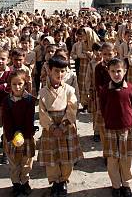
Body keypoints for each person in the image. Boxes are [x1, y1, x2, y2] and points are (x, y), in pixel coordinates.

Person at [37, 55, 83, 197]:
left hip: (66, 127)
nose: (60, 74)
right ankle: (55, 181)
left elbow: (72, 108)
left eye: (63, 71)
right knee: (52, 157)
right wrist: (51, 127)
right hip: (50, 128)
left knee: (66, 157)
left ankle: (63, 180)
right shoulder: (43, 91)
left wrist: (63, 126)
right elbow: (42, 112)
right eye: (56, 71)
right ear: (49, 70)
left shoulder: (69, 90)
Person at [99, 57, 132, 197]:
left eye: (119, 71)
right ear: (108, 72)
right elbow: (102, 107)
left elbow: (131, 105)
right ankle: (115, 185)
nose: (116, 74)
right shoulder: (104, 90)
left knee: (126, 158)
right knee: (113, 159)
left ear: (125, 71)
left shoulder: (130, 88)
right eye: (112, 71)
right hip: (110, 128)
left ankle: (126, 184)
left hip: (126, 129)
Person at [2, 69, 36, 197]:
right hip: (11, 137)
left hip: (26, 136)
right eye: (14, 84)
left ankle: (25, 182)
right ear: (10, 85)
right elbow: (6, 121)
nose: (17, 87)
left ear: (25, 84)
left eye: (20, 84)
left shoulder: (30, 100)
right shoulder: (6, 101)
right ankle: (16, 183)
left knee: (26, 162)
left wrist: (25, 135)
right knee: (14, 162)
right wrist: (12, 136)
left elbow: (29, 119)